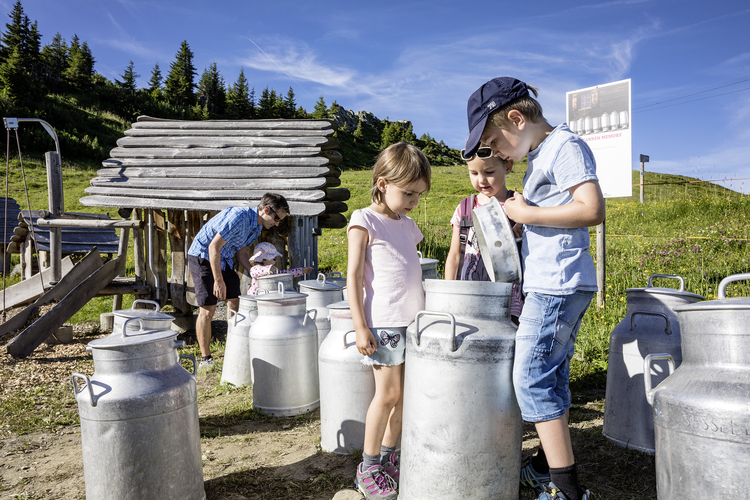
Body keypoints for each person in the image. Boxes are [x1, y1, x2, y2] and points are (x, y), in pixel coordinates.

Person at [464, 77, 605, 500]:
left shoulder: (565, 147)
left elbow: (591, 208)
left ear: (516, 118)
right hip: (557, 282)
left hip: (557, 285)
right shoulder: (542, 153)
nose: (495, 154)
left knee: (529, 379)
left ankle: (566, 490)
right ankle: (547, 465)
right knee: (552, 375)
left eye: (492, 142)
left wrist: (526, 213)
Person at [348, 142, 431, 499]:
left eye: (419, 195)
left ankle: (388, 458)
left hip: (413, 323)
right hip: (382, 322)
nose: (414, 201)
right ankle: (367, 466)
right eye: (408, 193)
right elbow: (352, 276)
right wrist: (359, 325)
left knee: (406, 396)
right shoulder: (363, 220)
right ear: (382, 183)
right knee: (388, 394)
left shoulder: (409, 225)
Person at [187, 193, 289, 370]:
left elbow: (241, 253)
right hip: (203, 255)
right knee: (208, 308)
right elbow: (213, 247)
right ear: (266, 209)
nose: (277, 223)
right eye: (277, 217)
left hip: (224, 258)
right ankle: (206, 358)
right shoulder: (238, 217)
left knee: (235, 301)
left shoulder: (256, 227)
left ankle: (233, 346)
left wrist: (255, 273)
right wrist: (218, 281)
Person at [444, 149, 524, 323]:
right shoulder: (465, 208)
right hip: (469, 294)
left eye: (489, 172)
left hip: (507, 299)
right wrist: (447, 296)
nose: (481, 180)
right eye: (473, 173)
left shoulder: (518, 206)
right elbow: (455, 255)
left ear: (508, 166)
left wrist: (524, 226)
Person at [246, 241, 313, 295]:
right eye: (274, 258)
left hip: (267, 297)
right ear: (265, 259)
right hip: (254, 298)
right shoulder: (256, 268)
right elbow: (254, 271)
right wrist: (268, 269)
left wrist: (301, 271)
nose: (276, 260)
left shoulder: (273, 271)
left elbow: (285, 273)